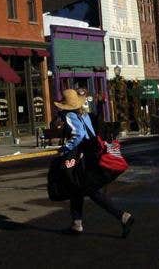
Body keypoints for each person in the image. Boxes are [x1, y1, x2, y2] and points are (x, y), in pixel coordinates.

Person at [56, 89, 134, 237]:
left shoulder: (71, 115)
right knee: (77, 187)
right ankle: (76, 223)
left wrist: (64, 149)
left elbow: (78, 135)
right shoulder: (84, 115)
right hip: (93, 153)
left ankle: (123, 216)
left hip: (84, 157)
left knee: (88, 189)